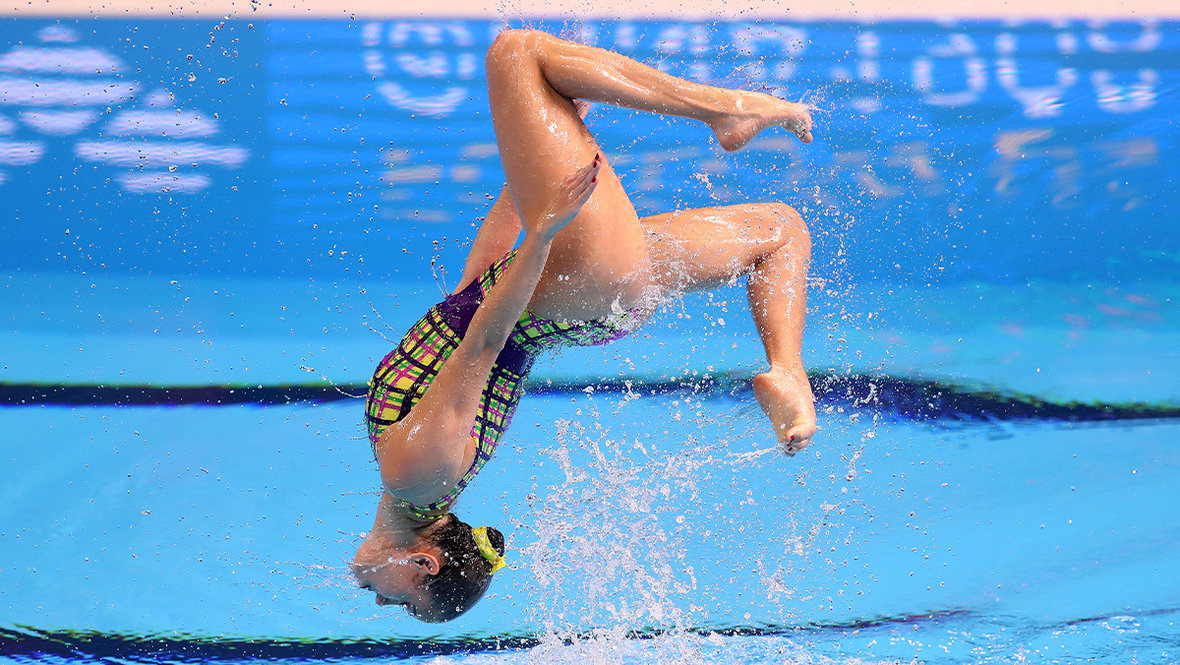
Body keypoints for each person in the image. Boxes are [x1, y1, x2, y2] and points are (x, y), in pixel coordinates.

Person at [350, 29, 817, 623]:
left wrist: (524, 184)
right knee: (514, 54)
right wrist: (542, 233)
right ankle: (727, 110)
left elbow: (474, 288)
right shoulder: (416, 476)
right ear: (424, 565)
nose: (380, 598)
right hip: (577, 287)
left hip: (589, 299)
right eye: (399, 601)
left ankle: (787, 373)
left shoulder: (423, 484)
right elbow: (483, 339)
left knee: (779, 230)